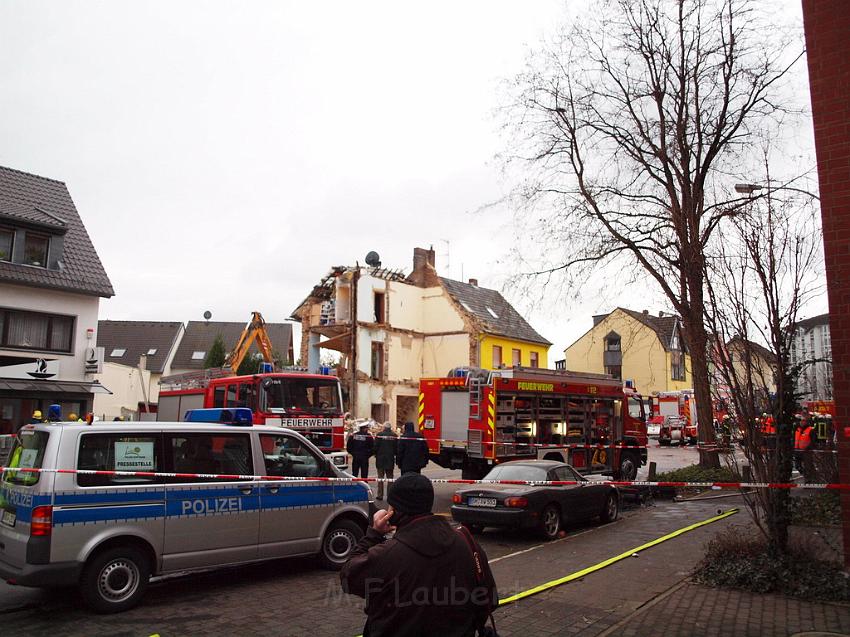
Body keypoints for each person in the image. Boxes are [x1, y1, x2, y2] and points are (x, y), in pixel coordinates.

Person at [340, 473, 498, 637]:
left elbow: (348, 578)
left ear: (395, 511)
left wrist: (373, 534)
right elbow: (489, 601)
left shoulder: (387, 555)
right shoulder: (467, 543)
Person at [373, 423, 398, 500]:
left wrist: (375, 454)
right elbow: (396, 448)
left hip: (380, 459)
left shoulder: (379, 435)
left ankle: (380, 495)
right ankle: (390, 495)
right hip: (390, 459)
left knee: (380, 478)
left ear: (384, 427)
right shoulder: (394, 436)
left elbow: (375, 447)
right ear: (390, 428)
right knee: (390, 478)